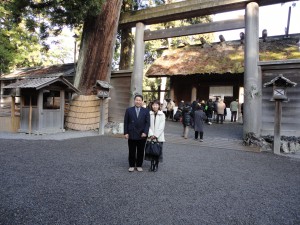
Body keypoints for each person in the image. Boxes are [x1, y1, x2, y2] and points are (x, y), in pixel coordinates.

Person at [124, 94, 150, 172]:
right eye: (137, 100)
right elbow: (126, 122)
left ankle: (139, 165)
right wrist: (126, 133)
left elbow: (147, 123)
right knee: (131, 150)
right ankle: (131, 165)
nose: (138, 101)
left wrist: (145, 132)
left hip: (142, 134)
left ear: (142, 101)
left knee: (141, 151)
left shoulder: (146, 111)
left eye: (139, 100)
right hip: (131, 133)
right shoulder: (129, 110)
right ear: (134, 101)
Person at [145, 100, 165, 172]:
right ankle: (152, 165)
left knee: (157, 151)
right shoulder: (149, 114)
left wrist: (156, 135)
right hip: (151, 136)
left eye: (156, 105)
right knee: (151, 151)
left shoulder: (162, 114)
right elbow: (148, 125)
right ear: (151, 106)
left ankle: (156, 165)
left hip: (159, 137)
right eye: (153, 105)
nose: (155, 106)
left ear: (159, 106)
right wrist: (151, 134)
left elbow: (161, 127)